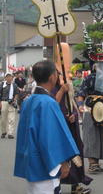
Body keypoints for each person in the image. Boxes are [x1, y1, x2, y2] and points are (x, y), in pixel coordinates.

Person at [14, 60, 79, 194]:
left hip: (32, 159)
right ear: (52, 77)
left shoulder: (28, 101)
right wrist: (63, 162)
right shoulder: (48, 103)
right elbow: (52, 137)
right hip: (45, 164)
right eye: (56, 73)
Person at [76, 23, 103, 174]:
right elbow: (81, 93)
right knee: (90, 134)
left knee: (102, 134)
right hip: (90, 107)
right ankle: (92, 163)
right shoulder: (89, 78)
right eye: (101, 64)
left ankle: (97, 161)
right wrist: (80, 105)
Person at [51, 74, 92, 194]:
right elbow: (52, 105)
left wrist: (73, 114)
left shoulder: (68, 88)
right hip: (58, 127)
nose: (63, 79)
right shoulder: (52, 89)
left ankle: (76, 184)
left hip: (71, 127)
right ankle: (55, 186)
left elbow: (72, 103)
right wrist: (61, 90)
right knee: (59, 156)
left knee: (75, 153)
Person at [0, 72, 19, 139]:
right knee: (3, 119)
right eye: (7, 76)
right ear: (5, 77)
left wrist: (14, 100)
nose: (9, 78)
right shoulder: (2, 84)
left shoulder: (14, 85)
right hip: (4, 102)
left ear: (12, 77)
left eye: (10, 76)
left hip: (11, 103)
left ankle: (10, 133)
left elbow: (16, 93)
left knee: (11, 119)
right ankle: (3, 132)